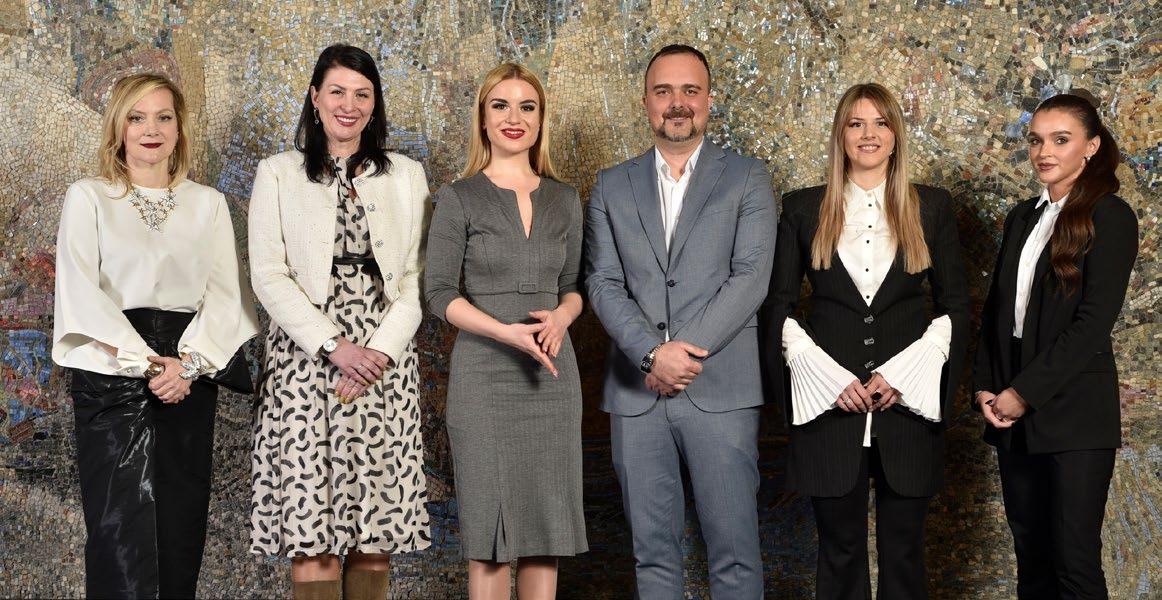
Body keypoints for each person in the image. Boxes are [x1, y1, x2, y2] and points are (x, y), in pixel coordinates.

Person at [52, 73, 259, 599]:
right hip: (110, 373)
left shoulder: (208, 204)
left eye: (164, 117)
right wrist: (147, 364)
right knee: (117, 528)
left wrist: (186, 366)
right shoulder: (89, 197)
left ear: (179, 128)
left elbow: (227, 297)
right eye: (137, 118)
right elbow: (80, 293)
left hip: (187, 378)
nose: (151, 129)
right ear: (118, 128)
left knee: (179, 522)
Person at [761, 82, 969, 600]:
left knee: (904, 555)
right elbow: (778, 308)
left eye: (880, 123)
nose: (868, 134)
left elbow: (955, 308)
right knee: (839, 552)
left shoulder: (932, 207)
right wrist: (828, 380)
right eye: (856, 123)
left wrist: (902, 377)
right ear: (841, 135)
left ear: (896, 135)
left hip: (908, 410)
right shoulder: (803, 208)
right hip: (829, 411)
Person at [584, 44, 776, 599]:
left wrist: (680, 354)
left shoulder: (747, 177)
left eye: (690, 90)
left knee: (735, 555)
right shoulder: (610, 185)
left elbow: (751, 278)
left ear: (709, 100)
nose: (677, 103)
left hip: (720, 390)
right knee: (652, 557)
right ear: (646, 101)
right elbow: (602, 282)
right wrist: (652, 354)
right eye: (663, 90)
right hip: (636, 393)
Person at [247, 44, 432, 600]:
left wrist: (379, 351)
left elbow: (420, 275)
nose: (348, 105)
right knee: (314, 536)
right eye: (337, 92)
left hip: (384, 361)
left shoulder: (407, 174)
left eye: (361, 94)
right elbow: (267, 275)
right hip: (306, 363)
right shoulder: (277, 173)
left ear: (374, 105)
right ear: (315, 97)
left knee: (374, 531)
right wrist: (335, 347)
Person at [424, 62, 588, 600]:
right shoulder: (459, 197)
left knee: (545, 534)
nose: (513, 117)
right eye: (500, 105)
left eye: (527, 106)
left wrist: (562, 317)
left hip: (551, 377)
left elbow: (573, 287)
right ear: (483, 118)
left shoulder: (565, 199)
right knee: (489, 539)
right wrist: (505, 332)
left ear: (541, 120)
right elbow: (439, 293)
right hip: (484, 379)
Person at [973, 91, 1138, 599]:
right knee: (1033, 560)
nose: (1044, 152)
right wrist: (986, 386)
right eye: (1036, 140)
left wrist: (1022, 393)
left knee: (1073, 562)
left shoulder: (1110, 216)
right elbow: (997, 313)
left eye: (1060, 139)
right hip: (1011, 411)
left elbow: (1092, 325)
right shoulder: (1023, 216)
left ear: (1091, 146)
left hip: (1075, 415)